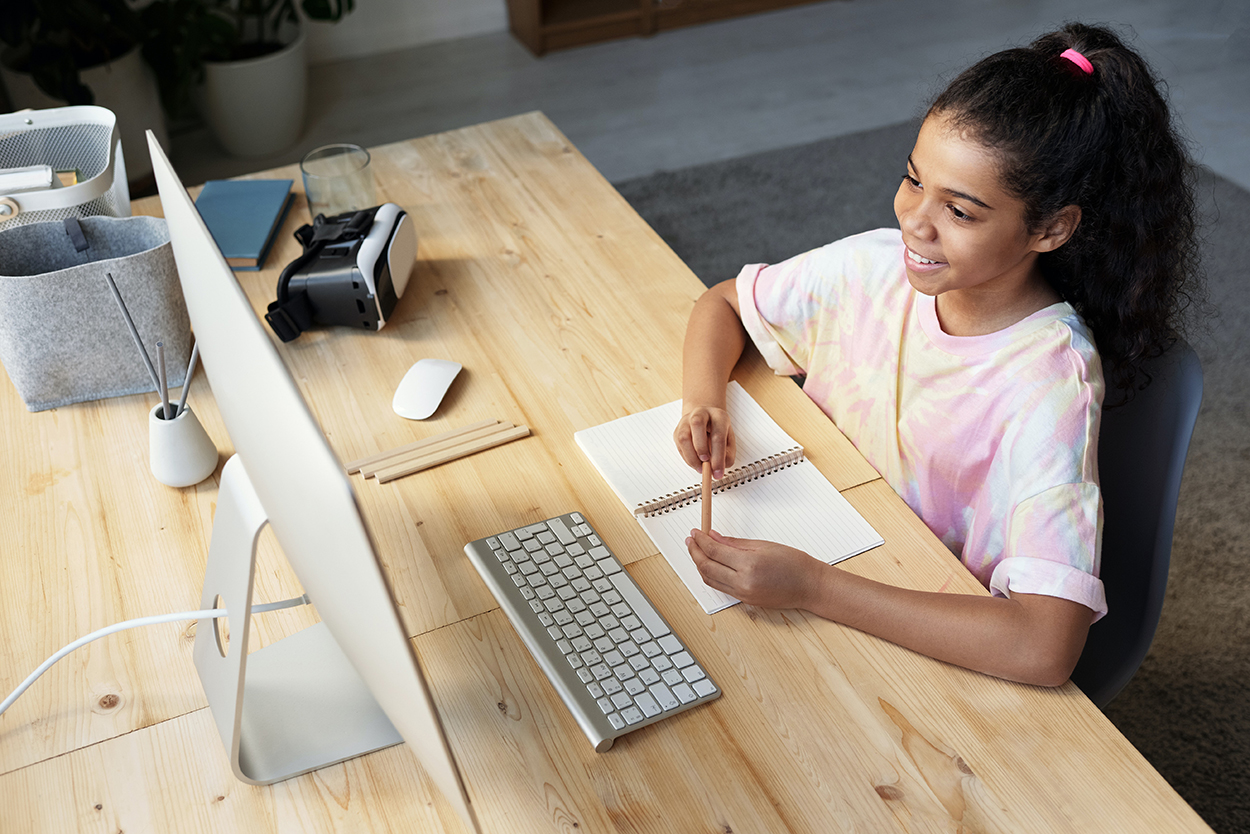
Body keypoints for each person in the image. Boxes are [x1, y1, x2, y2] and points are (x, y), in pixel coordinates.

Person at [672, 23, 1202, 687]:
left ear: (1050, 228)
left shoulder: (1048, 384)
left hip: (922, 625)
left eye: (961, 211)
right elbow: (722, 304)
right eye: (913, 180)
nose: (914, 221)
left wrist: (814, 588)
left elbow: (1043, 647)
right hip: (837, 540)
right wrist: (704, 400)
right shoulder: (874, 268)